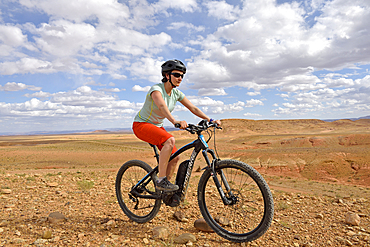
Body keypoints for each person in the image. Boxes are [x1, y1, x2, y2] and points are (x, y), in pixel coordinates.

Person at [132, 59, 221, 192]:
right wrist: (175, 121)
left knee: (175, 157)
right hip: (142, 125)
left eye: (182, 76)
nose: (180, 78)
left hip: (157, 126)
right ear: (167, 75)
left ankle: (163, 191)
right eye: (177, 75)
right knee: (170, 140)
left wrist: (210, 119)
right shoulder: (156, 89)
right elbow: (162, 106)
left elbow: (193, 108)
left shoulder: (176, 93)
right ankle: (161, 180)